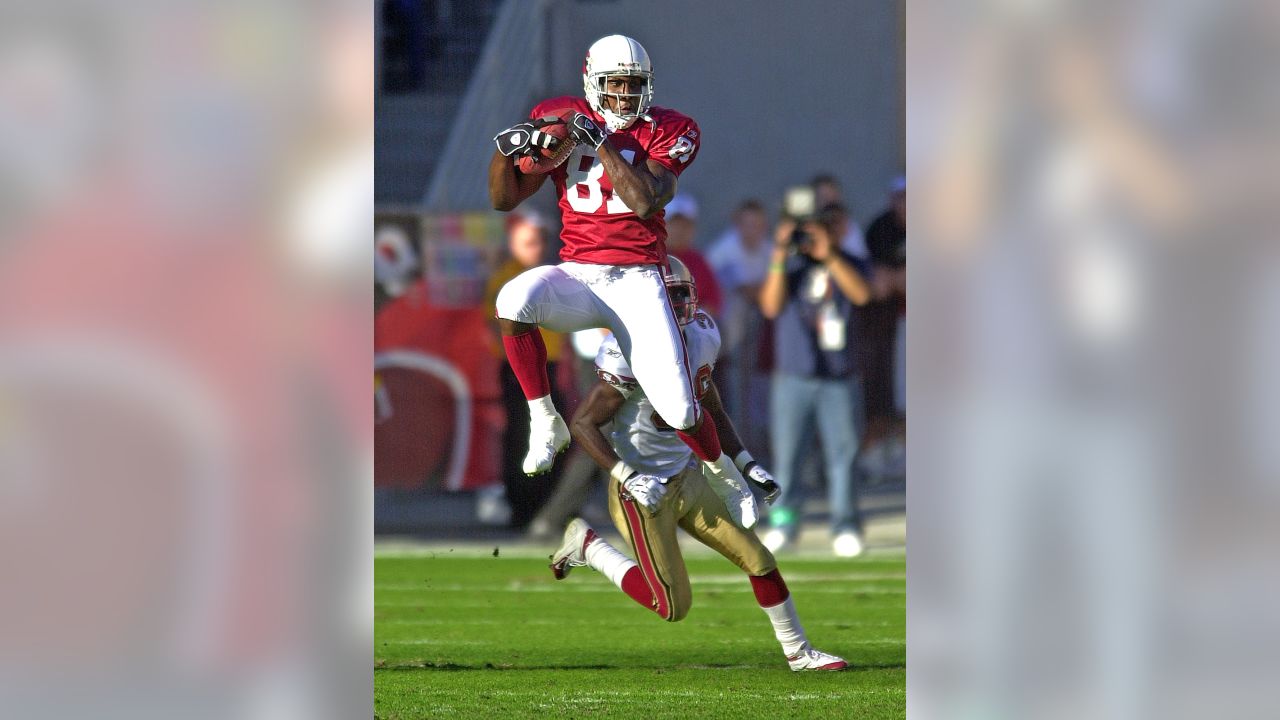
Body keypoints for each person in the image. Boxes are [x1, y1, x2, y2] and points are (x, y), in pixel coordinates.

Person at [487, 34, 754, 518]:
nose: (625, 97)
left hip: (638, 280)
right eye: (615, 85)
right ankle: (546, 421)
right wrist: (509, 150)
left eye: (634, 86)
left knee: (679, 411)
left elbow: (646, 199)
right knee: (513, 299)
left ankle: (727, 477)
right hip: (579, 273)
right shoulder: (562, 116)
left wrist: (601, 142)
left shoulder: (670, 129)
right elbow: (505, 199)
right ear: (593, 84)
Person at [550, 258, 848, 671]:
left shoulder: (704, 334)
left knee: (759, 558)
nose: (676, 304)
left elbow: (710, 406)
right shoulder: (627, 348)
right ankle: (589, 546)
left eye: (680, 293)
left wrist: (744, 462)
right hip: (641, 490)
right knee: (671, 605)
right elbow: (582, 424)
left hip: (688, 475)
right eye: (666, 295)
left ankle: (798, 651)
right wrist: (626, 474)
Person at [759, 203, 873, 556]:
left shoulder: (850, 262)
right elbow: (770, 307)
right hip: (793, 375)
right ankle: (784, 524)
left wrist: (830, 256)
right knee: (788, 458)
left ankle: (845, 525)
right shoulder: (791, 266)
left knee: (844, 456)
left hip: (839, 376)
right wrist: (779, 253)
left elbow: (862, 295)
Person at [482, 212, 568, 528]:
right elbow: (493, 326)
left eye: (540, 241)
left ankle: (549, 503)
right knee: (521, 435)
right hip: (518, 369)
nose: (536, 248)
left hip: (549, 365)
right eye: (529, 242)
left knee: (556, 433)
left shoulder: (548, 275)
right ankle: (523, 505)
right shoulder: (505, 278)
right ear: (513, 243)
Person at [858, 177, 907, 474]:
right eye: (901, 199)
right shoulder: (881, 229)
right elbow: (879, 284)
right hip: (887, 324)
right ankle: (881, 450)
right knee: (889, 389)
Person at [663, 194, 723, 317]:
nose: (679, 230)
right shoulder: (651, 258)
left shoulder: (698, 261)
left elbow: (713, 302)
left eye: (685, 225)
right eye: (674, 224)